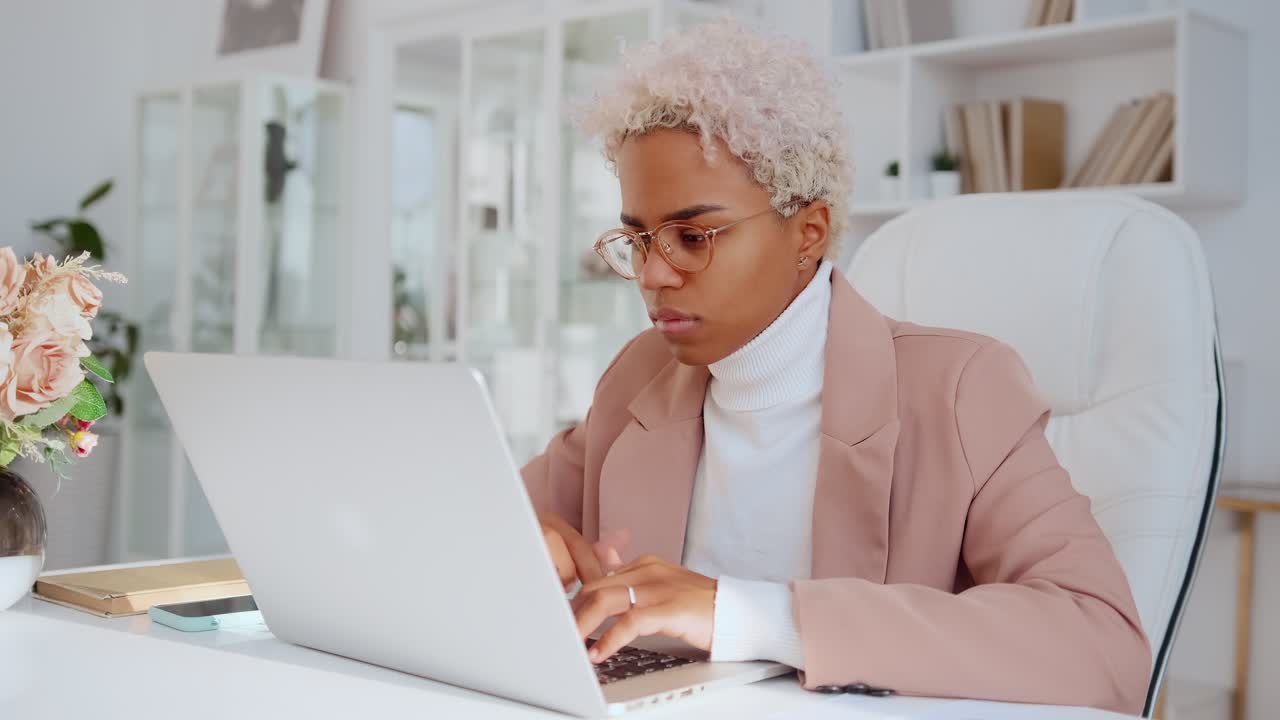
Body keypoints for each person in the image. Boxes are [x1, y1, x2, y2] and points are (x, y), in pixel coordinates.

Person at [521, 17, 1150, 714]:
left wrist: (743, 614)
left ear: (809, 232)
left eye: (692, 236)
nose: (653, 274)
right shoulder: (641, 375)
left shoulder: (961, 391)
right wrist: (515, 544)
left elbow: (1104, 649)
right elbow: (485, 522)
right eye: (639, 238)